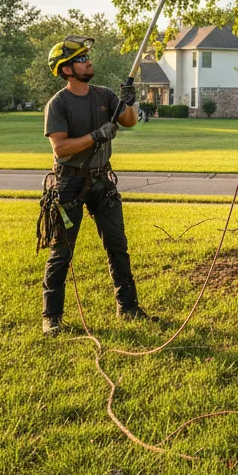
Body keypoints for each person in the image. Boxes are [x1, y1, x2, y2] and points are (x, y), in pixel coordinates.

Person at [40, 37, 149, 336]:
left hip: (103, 181)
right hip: (69, 184)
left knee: (118, 245)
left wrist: (129, 101)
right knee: (62, 251)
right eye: (81, 58)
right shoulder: (58, 104)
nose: (88, 61)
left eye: (87, 56)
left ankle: (128, 308)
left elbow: (129, 122)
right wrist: (96, 136)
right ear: (66, 70)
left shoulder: (104, 94)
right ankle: (52, 316)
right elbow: (60, 149)